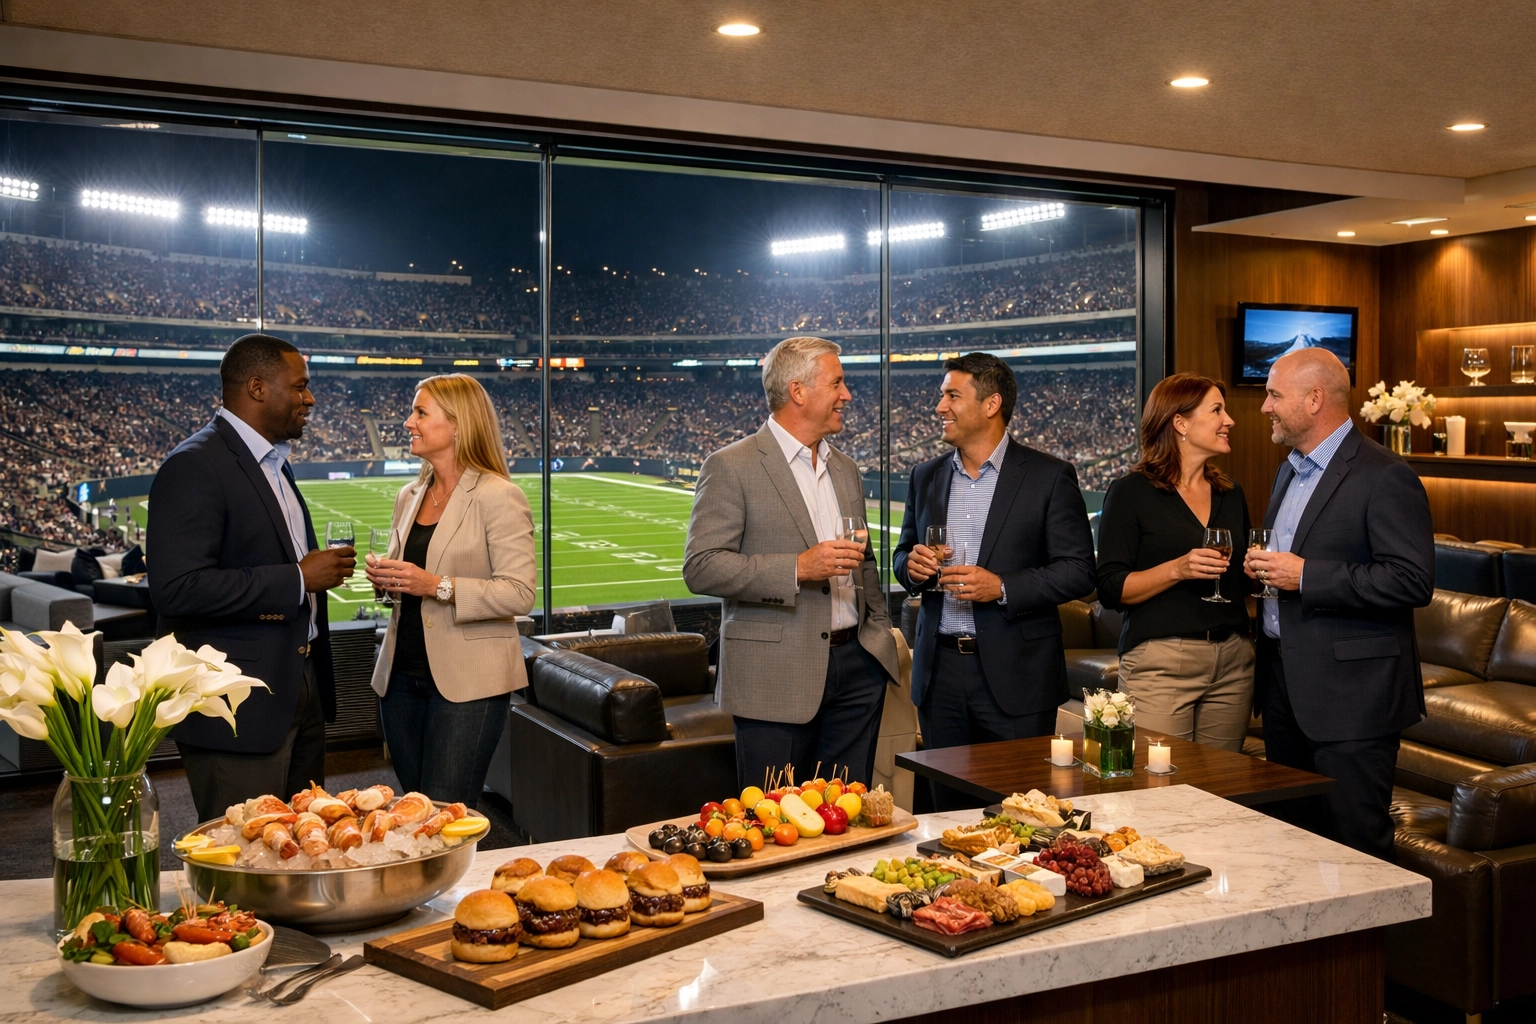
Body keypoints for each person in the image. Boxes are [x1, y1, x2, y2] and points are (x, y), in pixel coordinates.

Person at [149, 334, 354, 823]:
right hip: (236, 707)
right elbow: (177, 587)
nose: (310, 398)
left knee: (299, 849)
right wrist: (297, 579)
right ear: (258, 387)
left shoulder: (273, 462)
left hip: (296, 688)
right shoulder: (196, 464)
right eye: (300, 386)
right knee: (239, 862)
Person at [684, 336, 899, 791]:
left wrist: (875, 632)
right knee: (773, 825)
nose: (848, 394)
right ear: (798, 391)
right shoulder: (731, 465)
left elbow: (865, 561)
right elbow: (701, 566)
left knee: (849, 819)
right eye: (837, 382)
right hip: (774, 676)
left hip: (857, 669)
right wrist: (796, 568)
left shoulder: (845, 468)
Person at [1245, 348, 1434, 860]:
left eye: (1273, 395)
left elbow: (1412, 580)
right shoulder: (1289, 470)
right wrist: (1266, 568)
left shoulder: (1384, 475)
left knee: (1356, 851)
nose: (1264, 407)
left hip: (1352, 701)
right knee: (1292, 844)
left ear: (1314, 399)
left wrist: (1306, 575)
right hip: (1286, 689)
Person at [892, 353, 1095, 807]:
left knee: (1019, 814)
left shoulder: (1048, 476)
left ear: (991, 404)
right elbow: (902, 554)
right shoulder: (925, 477)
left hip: (1017, 677)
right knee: (945, 813)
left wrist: (1002, 587)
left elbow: (1079, 571)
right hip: (939, 674)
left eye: (951, 395)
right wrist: (914, 566)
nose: (939, 406)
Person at [363, 374, 536, 807]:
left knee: (447, 815)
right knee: (416, 810)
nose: (408, 422)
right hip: (400, 680)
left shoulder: (499, 495)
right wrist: (386, 582)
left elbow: (519, 593)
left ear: (458, 424)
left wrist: (436, 585)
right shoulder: (410, 494)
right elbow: (403, 593)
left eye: (420, 412)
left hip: (468, 684)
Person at [1094, 373, 1254, 751]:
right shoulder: (1130, 492)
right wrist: (1177, 569)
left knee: (1220, 791)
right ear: (1180, 423)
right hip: (1161, 663)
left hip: (1234, 661)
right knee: (1160, 791)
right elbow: (1110, 588)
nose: (1229, 420)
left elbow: (1242, 580)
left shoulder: (1230, 493)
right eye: (1217, 410)